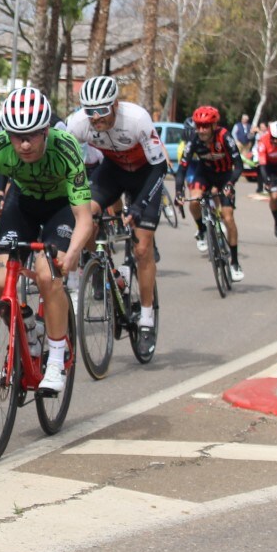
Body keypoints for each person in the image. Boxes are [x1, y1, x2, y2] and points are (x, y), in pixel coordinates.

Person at [0, 86, 94, 394]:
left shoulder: (67, 149)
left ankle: (57, 359)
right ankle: (29, 329)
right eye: (16, 135)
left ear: (46, 130)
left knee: (49, 276)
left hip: (62, 207)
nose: (23, 144)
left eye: (31, 135)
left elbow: (85, 219)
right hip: (22, 204)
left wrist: (72, 253)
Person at [66, 75, 168, 358]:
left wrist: (138, 206)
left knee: (142, 248)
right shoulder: (78, 124)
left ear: (116, 104)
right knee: (85, 213)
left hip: (146, 176)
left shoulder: (136, 119)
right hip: (112, 172)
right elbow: (65, 163)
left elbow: (160, 169)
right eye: (90, 111)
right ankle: (97, 264)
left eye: (102, 110)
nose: (96, 118)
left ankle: (146, 318)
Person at [175, 105, 244, 281]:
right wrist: (178, 191)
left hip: (225, 176)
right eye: (198, 126)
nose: (202, 130)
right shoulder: (193, 139)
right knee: (194, 201)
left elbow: (239, 164)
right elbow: (182, 168)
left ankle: (235, 261)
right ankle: (201, 229)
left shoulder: (224, 136)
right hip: (204, 174)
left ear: (214, 126)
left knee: (228, 218)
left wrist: (230, 183)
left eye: (206, 126)